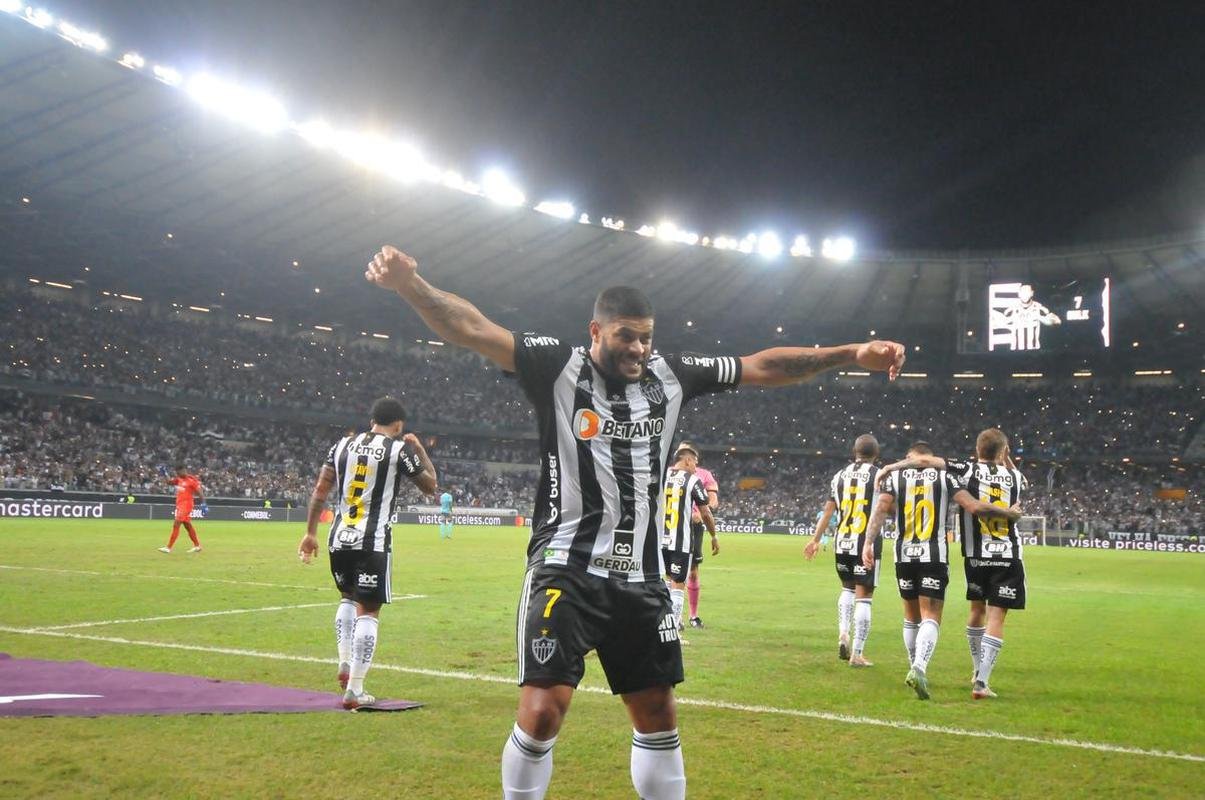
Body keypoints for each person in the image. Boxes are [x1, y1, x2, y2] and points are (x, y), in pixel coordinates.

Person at [364, 244, 905, 800]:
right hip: (564, 568)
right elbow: (473, 328)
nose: (639, 348)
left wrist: (849, 352)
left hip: (641, 581)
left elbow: (761, 366)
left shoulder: (674, 375)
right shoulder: (557, 367)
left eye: (646, 336)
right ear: (595, 331)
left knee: (657, 711)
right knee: (544, 710)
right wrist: (412, 285)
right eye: (626, 335)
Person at [297, 396, 438, 710]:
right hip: (372, 540)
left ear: (372, 418)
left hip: (338, 537)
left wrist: (310, 533)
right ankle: (355, 689)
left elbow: (320, 492)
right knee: (369, 610)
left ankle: (344, 662)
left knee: (347, 597)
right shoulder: (399, 449)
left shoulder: (341, 445)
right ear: (399, 425)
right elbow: (430, 486)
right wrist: (421, 451)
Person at [875, 428, 1028, 699]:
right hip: (1007, 554)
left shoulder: (966, 470)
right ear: (1004, 453)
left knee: (977, 611)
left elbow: (924, 461)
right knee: (996, 617)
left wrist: (891, 466)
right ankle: (981, 680)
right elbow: (1014, 477)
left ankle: (959, 668)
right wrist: (1006, 458)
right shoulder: (1017, 477)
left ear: (977, 451)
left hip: (975, 556)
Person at [803, 435, 880, 666]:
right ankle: (857, 653)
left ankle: (843, 633)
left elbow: (828, 512)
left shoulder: (839, 476)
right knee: (864, 597)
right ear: (876, 454)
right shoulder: (879, 476)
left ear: (854, 452)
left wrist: (815, 540)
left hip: (842, 540)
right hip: (866, 542)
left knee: (847, 588)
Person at [662, 444, 718, 642]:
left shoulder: (661, 475)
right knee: (678, 584)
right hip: (680, 541)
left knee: (668, 581)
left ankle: (663, 626)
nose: (696, 466)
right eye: (695, 462)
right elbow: (705, 512)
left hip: (660, 541)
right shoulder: (692, 480)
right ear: (686, 460)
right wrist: (714, 535)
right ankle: (672, 630)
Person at [678, 442, 719, 628]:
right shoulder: (669, 472)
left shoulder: (704, 475)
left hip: (694, 526)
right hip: (673, 524)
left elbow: (713, 501)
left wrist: (702, 512)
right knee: (671, 573)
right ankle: (674, 618)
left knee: (692, 572)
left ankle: (693, 616)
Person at [157, 464, 206, 553]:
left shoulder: (191, 480)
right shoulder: (179, 479)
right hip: (180, 505)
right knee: (187, 526)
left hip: (186, 505)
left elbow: (200, 492)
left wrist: (204, 504)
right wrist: (165, 473)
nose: (178, 474)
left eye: (179, 472)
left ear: (184, 471)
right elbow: (169, 482)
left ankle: (168, 547)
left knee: (176, 523)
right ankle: (197, 545)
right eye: (177, 473)